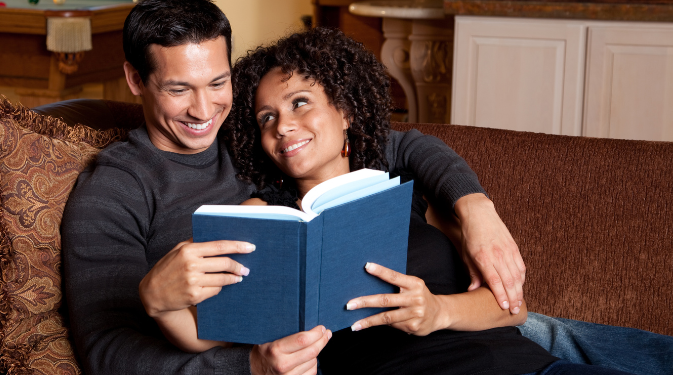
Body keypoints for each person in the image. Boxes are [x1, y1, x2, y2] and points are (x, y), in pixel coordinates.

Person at [61, 0, 529, 374]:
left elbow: (397, 144)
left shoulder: (253, 134)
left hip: (478, 336)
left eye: (218, 82)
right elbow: (108, 350)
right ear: (135, 79)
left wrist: (475, 208)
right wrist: (246, 366)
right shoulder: (115, 188)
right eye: (178, 89)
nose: (204, 110)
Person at [179, 26, 630, 374]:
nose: (283, 125)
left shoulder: (407, 190)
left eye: (300, 103)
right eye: (267, 118)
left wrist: (438, 310)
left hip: (523, 366)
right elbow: (209, 329)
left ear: (345, 110)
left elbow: (512, 308)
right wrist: (159, 300)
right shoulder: (265, 220)